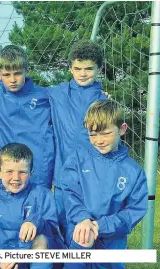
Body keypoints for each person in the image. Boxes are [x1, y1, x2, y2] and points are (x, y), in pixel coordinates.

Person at [60, 100, 147, 269]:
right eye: (93, 134)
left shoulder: (134, 171)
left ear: (122, 129)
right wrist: (83, 219)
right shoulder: (77, 159)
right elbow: (70, 193)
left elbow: (134, 211)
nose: (99, 140)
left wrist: (101, 226)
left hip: (111, 244)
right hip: (80, 235)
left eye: (105, 133)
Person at [46, 40, 107, 239]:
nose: (82, 73)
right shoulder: (56, 93)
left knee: (82, 231)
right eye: (77, 68)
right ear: (71, 68)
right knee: (59, 228)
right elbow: (25, 93)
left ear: (99, 68)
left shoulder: (104, 103)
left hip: (90, 180)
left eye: (89, 68)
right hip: (62, 176)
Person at [0, 45, 54, 189]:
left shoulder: (46, 96)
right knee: (7, 207)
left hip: (38, 169)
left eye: (17, 73)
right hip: (6, 168)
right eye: (6, 75)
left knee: (40, 208)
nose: (12, 79)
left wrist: (99, 95)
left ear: (27, 71)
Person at [0, 143, 63, 269]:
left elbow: (53, 231)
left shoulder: (43, 195)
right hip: (8, 258)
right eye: (9, 172)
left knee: (40, 240)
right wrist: (0, 263)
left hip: (35, 253)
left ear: (31, 173)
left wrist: (35, 222)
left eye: (22, 172)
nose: (16, 178)